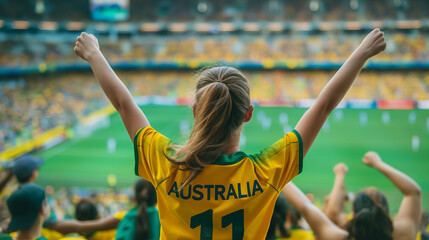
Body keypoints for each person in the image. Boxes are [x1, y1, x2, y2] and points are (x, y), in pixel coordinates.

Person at [74, 28, 386, 239]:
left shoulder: (167, 163)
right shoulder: (265, 171)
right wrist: (360, 53)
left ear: (196, 110)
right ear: (248, 113)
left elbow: (123, 104)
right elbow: (323, 106)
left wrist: (94, 55)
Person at [283, 151, 422, 240]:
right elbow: (414, 192)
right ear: (384, 212)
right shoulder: (403, 234)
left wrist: (278, 174)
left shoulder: (338, 237)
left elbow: (306, 207)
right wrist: (378, 164)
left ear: (354, 214)